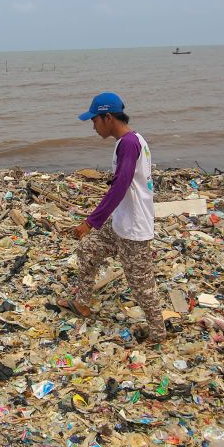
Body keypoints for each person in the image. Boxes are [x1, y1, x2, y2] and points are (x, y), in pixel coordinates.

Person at [59, 92, 166, 343]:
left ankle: (158, 333)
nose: (93, 127)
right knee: (88, 250)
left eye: (94, 120)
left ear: (108, 117)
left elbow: (120, 186)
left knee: (141, 285)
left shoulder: (129, 143)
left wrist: (90, 221)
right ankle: (82, 303)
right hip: (120, 221)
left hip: (134, 228)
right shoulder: (129, 141)